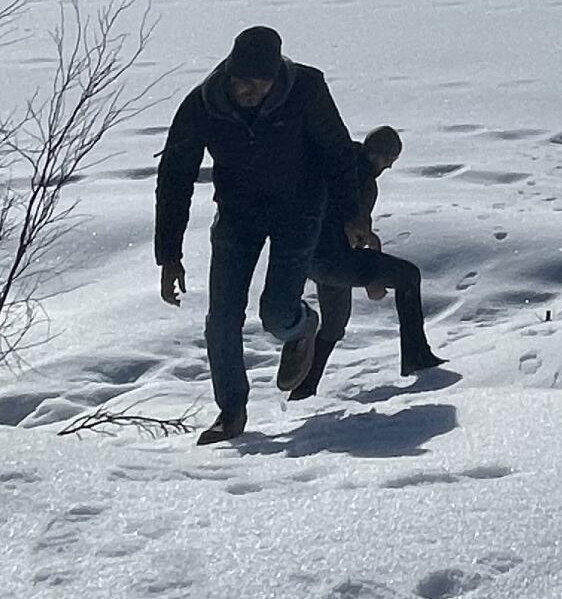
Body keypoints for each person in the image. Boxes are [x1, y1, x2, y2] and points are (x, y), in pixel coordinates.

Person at [155, 25, 363, 445]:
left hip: (299, 209)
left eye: (257, 83)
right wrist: (169, 254)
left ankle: (301, 327)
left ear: (275, 79)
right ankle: (231, 414)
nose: (246, 90)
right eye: (240, 81)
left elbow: (338, 152)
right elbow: (175, 175)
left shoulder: (306, 87)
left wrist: (353, 216)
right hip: (238, 213)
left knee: (276, 313)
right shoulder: (203, 104)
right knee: (222, 318)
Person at [290, 123, 442, 395]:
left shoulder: (337, 163)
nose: (389, 168)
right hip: (336, 259)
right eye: (389, 160)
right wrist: (373, 268)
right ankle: (417, 357)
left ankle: (303, 390)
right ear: (377, 155)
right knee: (408, 276)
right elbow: (355, 229)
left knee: (334, 325)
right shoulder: (361, 179)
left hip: (310, 260)